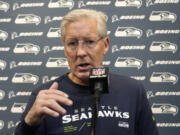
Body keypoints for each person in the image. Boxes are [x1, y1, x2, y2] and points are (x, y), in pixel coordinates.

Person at [15, 9, 159, 135]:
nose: (80, 52)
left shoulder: (132, 90)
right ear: (64, 48)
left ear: (105, 45)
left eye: (89, 42)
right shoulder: (45, 96)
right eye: (72, 43)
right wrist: (29, 123)